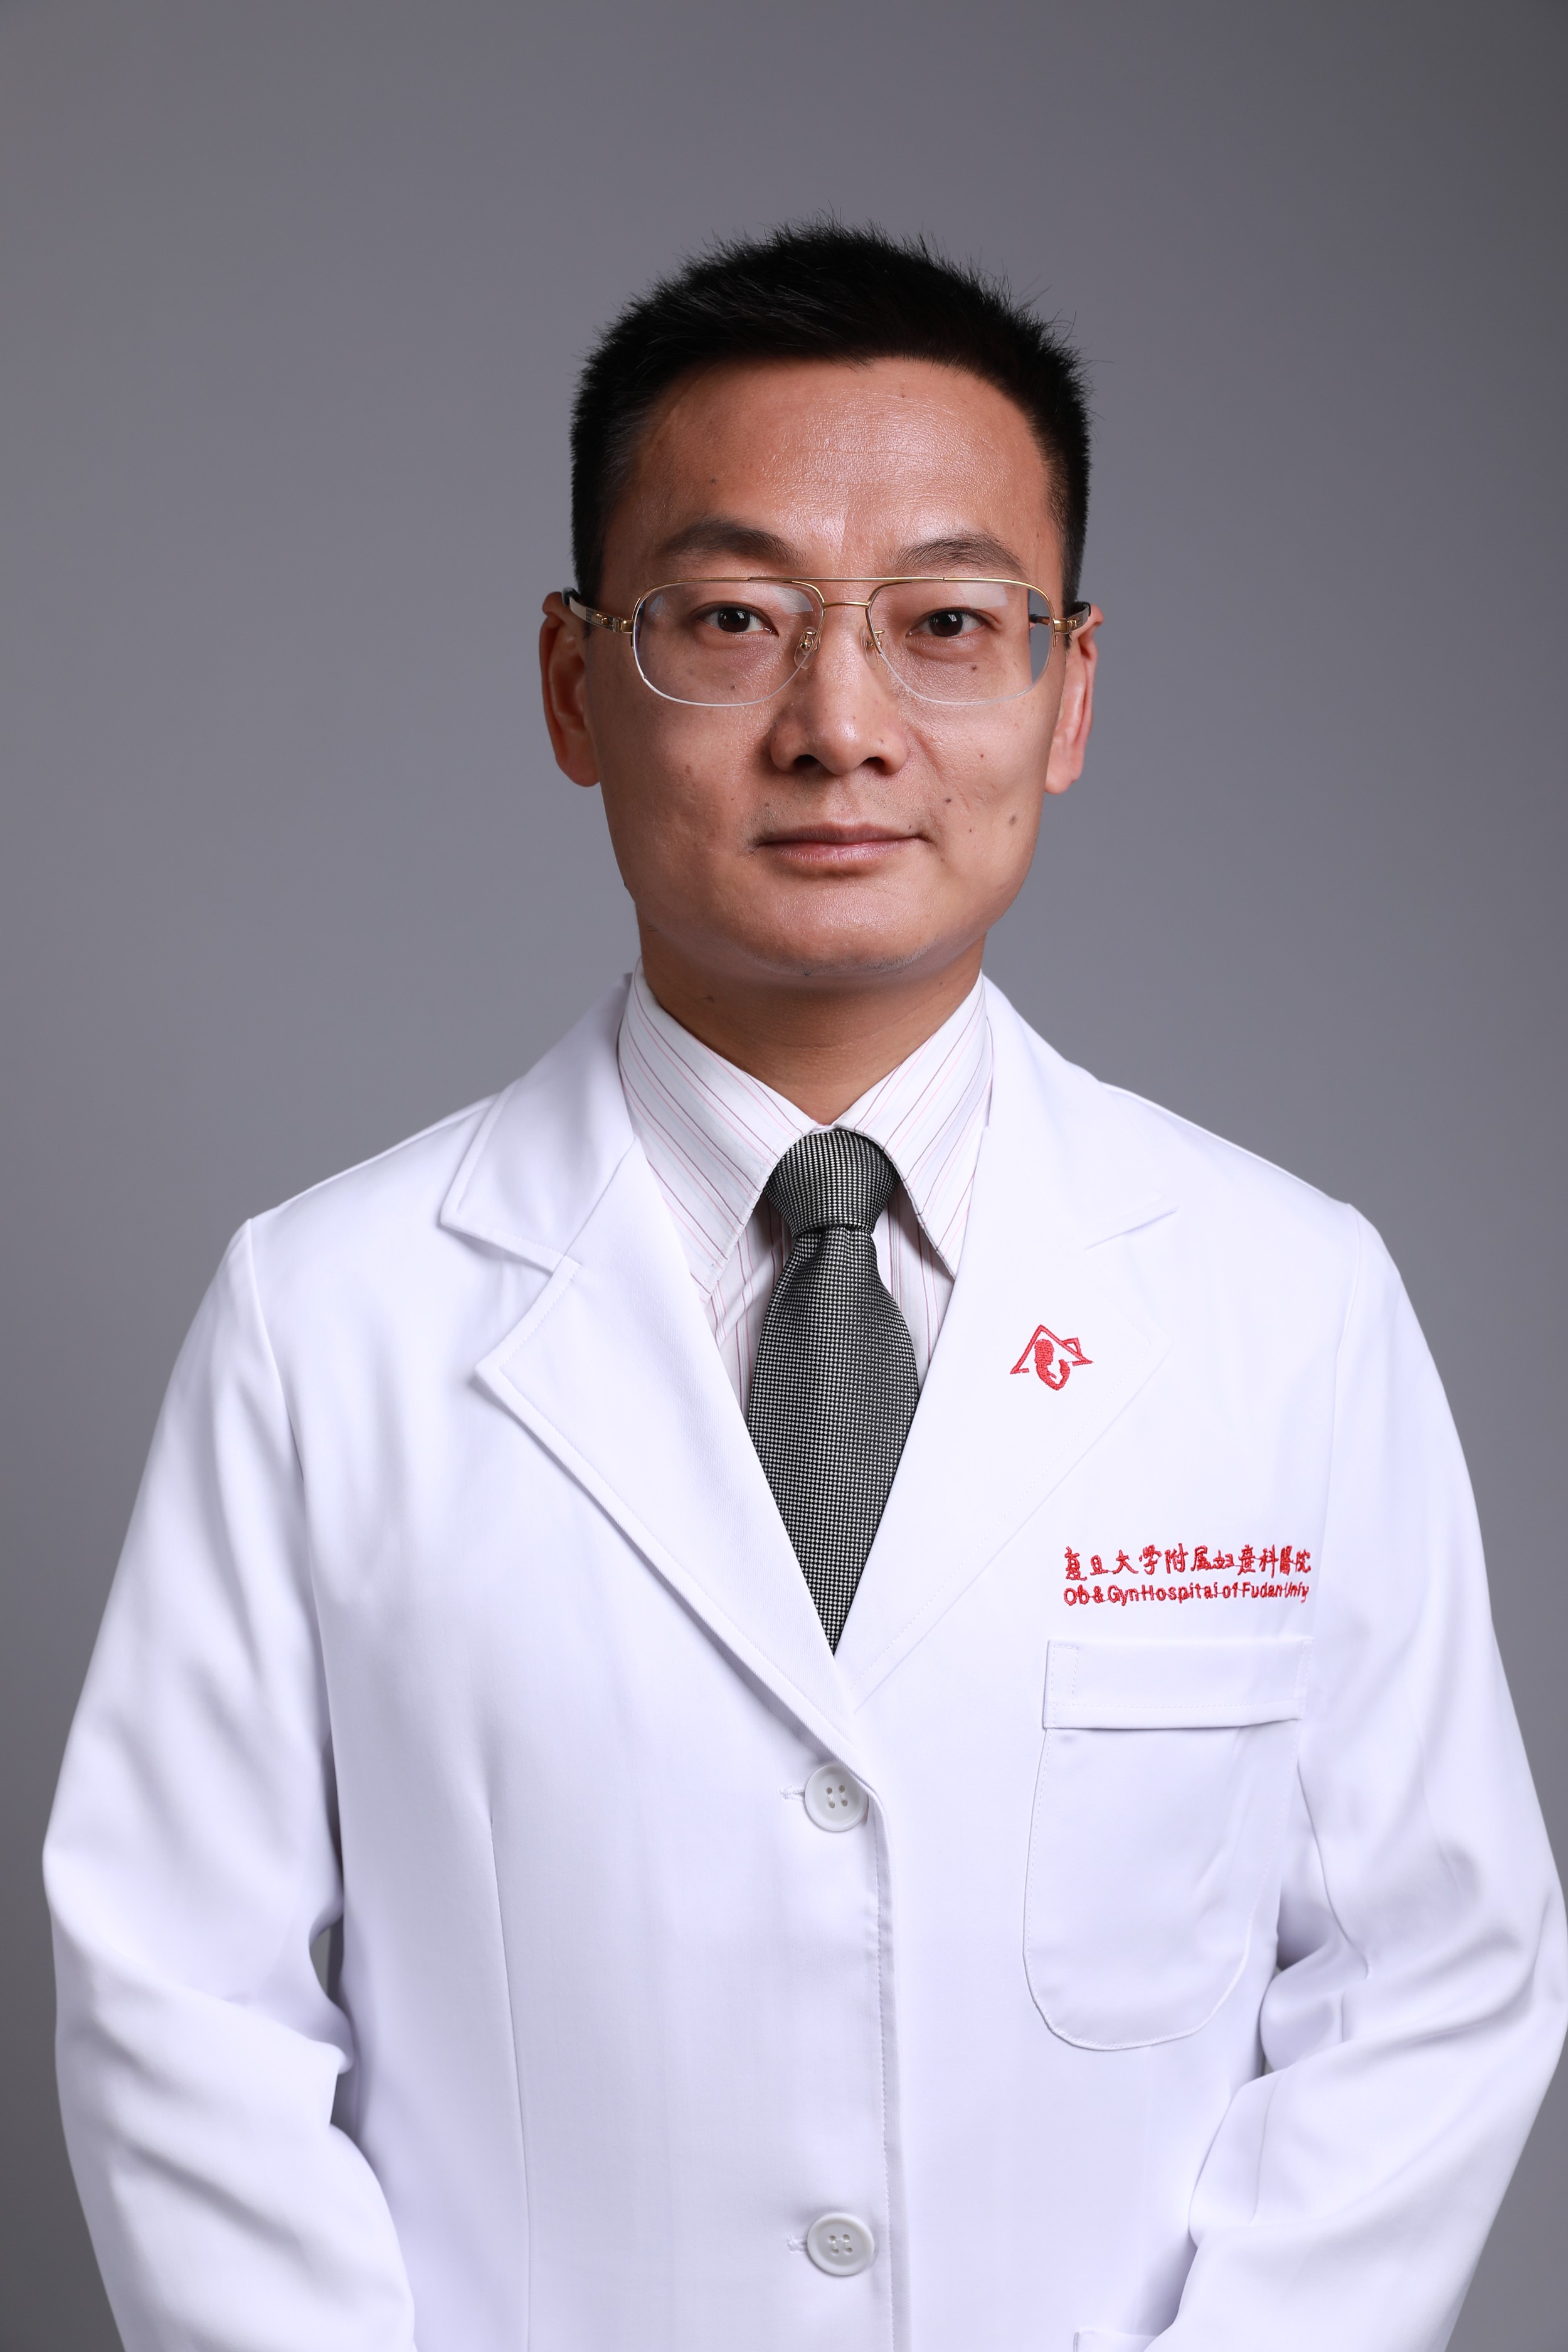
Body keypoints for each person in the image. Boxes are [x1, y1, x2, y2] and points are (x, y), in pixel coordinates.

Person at [46, 224, 1565, 2352]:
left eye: (945, 623)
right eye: (732, 620)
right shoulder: (325, 1318)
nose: (838, 727)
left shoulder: (1286, 1303)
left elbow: (1432, 1977)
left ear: (1067, 692)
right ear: (574, 685)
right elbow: (176, 2001)